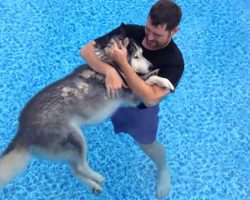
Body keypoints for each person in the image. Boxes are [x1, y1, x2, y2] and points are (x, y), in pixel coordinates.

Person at [80, 0, 184, 198]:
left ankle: (163, 168)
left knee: (148, 144)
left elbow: (150, 98)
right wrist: (109, 71)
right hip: (108, 97)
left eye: (158, 35)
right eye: (148, 30)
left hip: (137, 110)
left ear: (174, 31)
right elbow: (86, 51)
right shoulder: (128, 32)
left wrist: (121, 63)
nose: (150, 38)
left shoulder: (174, 62)